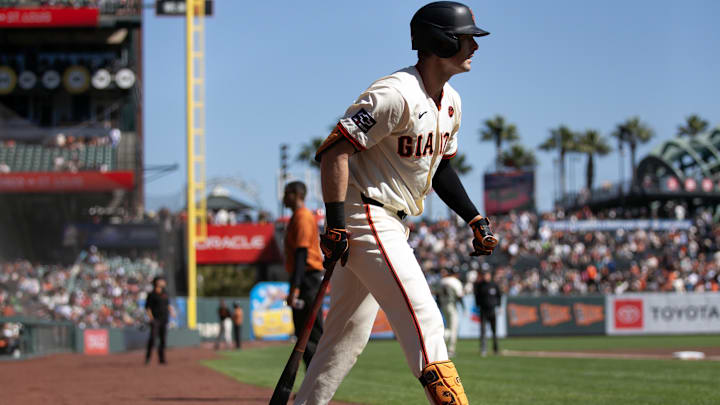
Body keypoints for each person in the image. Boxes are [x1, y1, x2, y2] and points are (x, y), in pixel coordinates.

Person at [294, 3, 497, 404]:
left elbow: (438, 170)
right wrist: (335, 223)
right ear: (441, 40)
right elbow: (334, 152)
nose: (474, 45)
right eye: (466, 37)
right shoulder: (394, 93)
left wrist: (473, 217)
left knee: (345, 337)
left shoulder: (451, 101)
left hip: (389, 218)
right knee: (424, 318)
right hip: (365, 213)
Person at [282, 181, 325, 368]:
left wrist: (295, 288)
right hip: (304, 279)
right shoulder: (297, 217)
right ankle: (311, 387)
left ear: (297, 194)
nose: (283, 197)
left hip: (309, 280)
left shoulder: (302, 217)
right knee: (303, 337)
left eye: (287, 193)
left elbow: (302, 254)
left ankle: (316, 388)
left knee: (311, 335)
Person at [145, 276, 174, 364]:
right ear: (156, 282)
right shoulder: (152, 294)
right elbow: (148, 308)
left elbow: (168, 305)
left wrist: (172, 312)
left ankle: (162, 359)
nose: (163, 282)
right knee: (153, 339)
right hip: (155, 320)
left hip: (164, 319)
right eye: (161, 281)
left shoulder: (165, 293)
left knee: (163, 340)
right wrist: (151, 318)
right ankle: (148, 357)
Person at [437, 267, 465, 357]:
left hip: (444, 306)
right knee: (453, 328)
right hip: (452, 306)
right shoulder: (456, 282)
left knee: (448, 328)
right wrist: (463, 308)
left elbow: (437, 294)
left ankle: (441, 345)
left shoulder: (442, 281)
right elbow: (460, 296)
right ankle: (451, 350)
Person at [473, 270, 502, 356]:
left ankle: (495, 349)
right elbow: (477, 296)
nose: (486, 276)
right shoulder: (480, 285)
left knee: (494, 331)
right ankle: (483, 349)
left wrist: (499, 305)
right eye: (485, 275)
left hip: (492, 310)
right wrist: (478, 305)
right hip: (483, 310)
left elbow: (499, 295)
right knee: (483, 330)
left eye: (487, 275)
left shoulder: (494, 285)